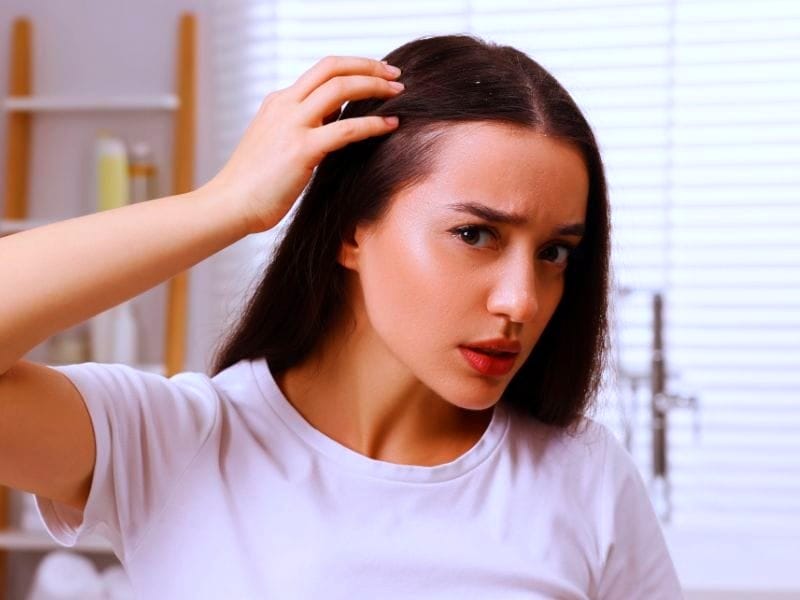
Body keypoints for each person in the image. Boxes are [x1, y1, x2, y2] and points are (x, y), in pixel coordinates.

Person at [0, 34, 683, 598]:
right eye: (475, 235)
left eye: (554, 253)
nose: (521, 301)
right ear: (351, 231)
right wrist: (227, 205)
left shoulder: (585, 478)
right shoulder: (174, 443)